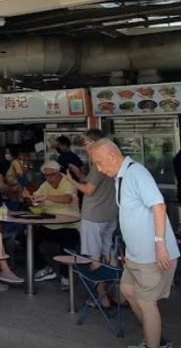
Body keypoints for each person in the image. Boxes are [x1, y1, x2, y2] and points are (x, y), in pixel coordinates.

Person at [89, 139, 178, 348]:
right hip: (135, 255)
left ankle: (154, 344)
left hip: (152, 253)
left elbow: (158, 206)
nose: (100, 170)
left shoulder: (136, 173)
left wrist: (160, 243)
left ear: (112, 156)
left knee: (147, 302)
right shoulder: (121, 176)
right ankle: (156, 337)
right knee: (128, 291)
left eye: (100, 163)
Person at [65, 129, 118, 307]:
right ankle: (120, 294)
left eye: (86, 144)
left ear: (95, 142)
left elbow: (89, 189)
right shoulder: (112, 160)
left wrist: (70, 180)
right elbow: (92, 182)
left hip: (94, 216)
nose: (85, 148)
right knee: (109, 253)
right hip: (110, 213)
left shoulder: (98, 163)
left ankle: (102, 298)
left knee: (94, 256)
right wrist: (79, 175)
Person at [23, 161, 80, 288]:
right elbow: (36, 199)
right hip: (49, 225)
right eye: (46, 175)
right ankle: (44, 267)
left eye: (51, 175)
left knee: (68, 243)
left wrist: (47, 197)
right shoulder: (45, 184)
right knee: (26, 238)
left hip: (69, 225)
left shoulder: (68, 181)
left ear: (59, 173)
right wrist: (30, 198)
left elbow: (68, 198)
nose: (49, 178)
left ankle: (66, 277)